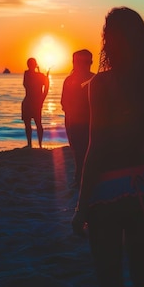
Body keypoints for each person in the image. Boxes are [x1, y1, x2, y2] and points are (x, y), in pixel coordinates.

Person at [72, 7, 144, 287]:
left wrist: (81, 208)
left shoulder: (101, 83)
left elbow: (96, 146)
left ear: (109, 40)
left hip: (105, 191)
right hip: (141, 186)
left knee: (109, 278)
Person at [61, 49, 94, 186]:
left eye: (82, 62)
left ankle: (81, 176)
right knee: (77, 149)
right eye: (76, 61)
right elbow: (64, 102)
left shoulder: (95, 79)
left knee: (87, 149)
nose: (79, 65)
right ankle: (80, 174)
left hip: (90, 121)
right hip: (73, 121)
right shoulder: (69, 80)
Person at [21, 57, 49, 148]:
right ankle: (31, 144)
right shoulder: (29, 74)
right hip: (30, 101)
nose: (30, 66)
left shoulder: (38, 75)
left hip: (35, 102)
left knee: (37, 124)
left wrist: (42, 99)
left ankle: (38, 145)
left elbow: (46, 87)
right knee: (29, 124)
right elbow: (27, 85)